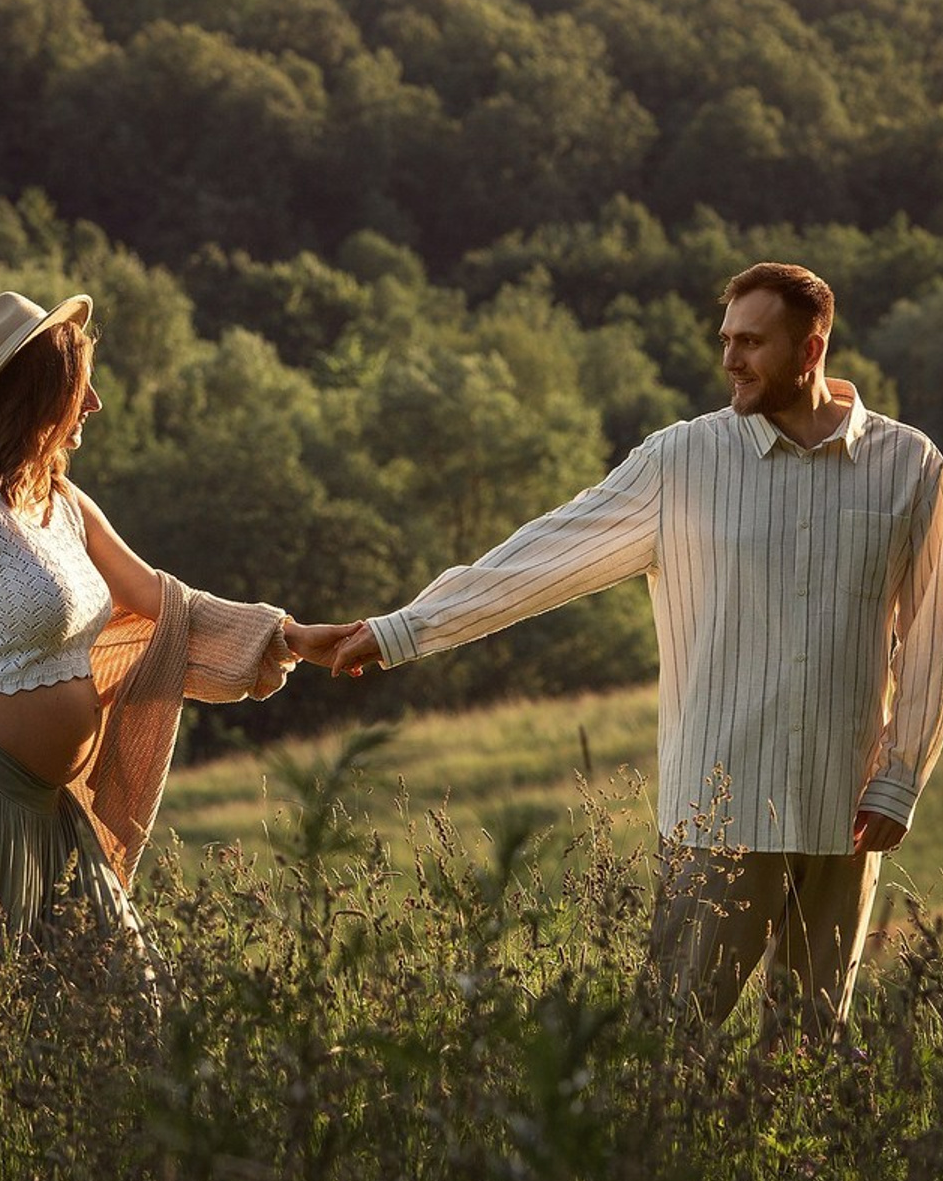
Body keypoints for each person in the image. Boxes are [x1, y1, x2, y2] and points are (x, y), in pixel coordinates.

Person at [332, 263, 943, 1042]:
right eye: (726, 340)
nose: (730, 360)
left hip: (844, 811)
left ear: (811, 348)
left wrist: (899, 780)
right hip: (719, 814)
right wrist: (399, 630)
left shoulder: (909, 465)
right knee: (672, 1043)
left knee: (811, 1053)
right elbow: (544, 554)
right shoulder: (680, 461)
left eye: (752, 342)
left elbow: (933, 634)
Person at [0, 289, 356, 972]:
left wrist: (288, 635)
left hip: (51, 811)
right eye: (81, 385)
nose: (95, 403)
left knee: (133, 1000)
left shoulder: (66, 504)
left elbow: (162, 599)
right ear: (41, 392)